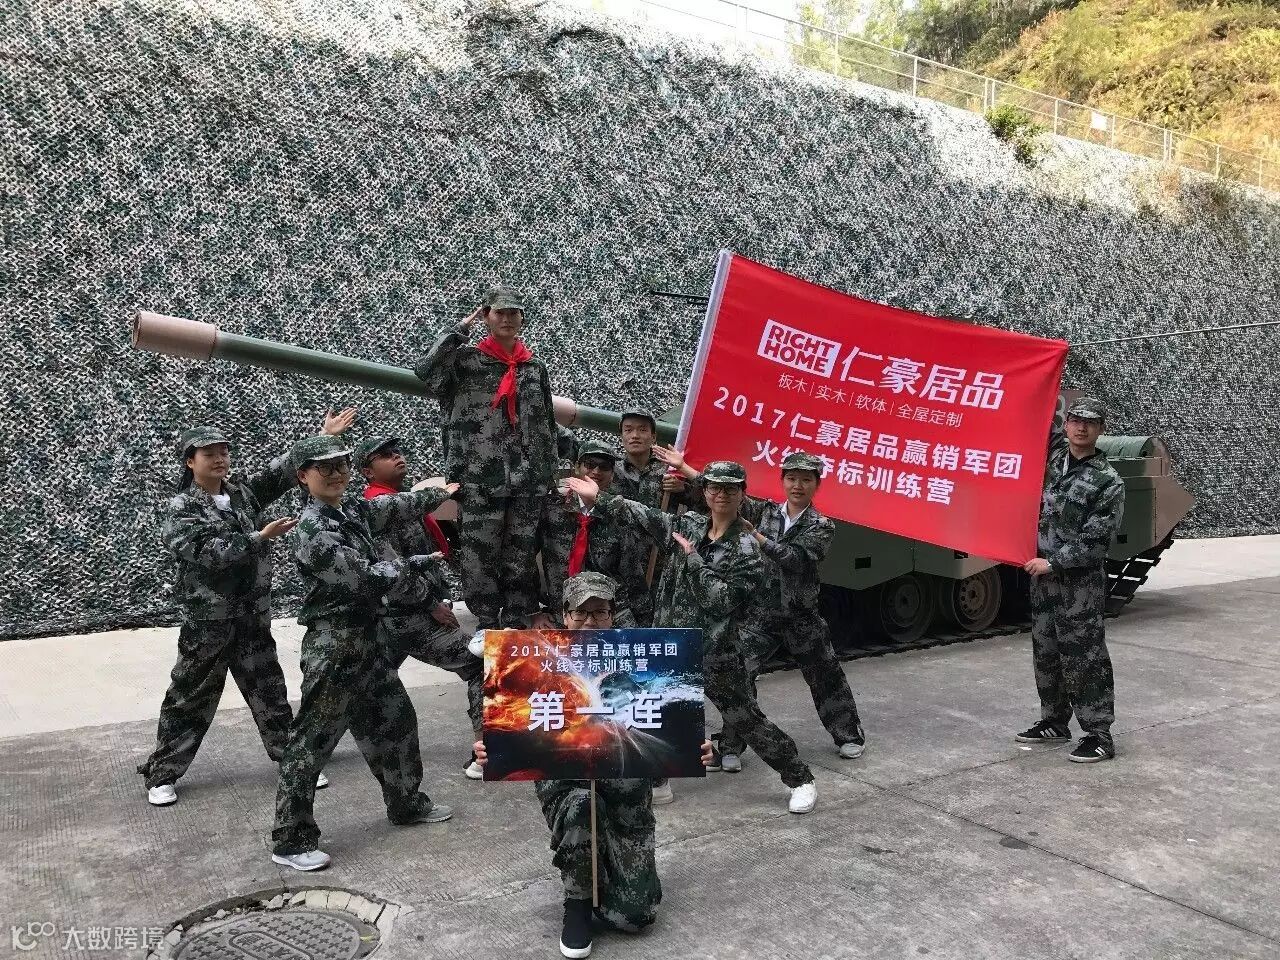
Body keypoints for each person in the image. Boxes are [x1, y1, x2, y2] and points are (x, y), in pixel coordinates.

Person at [473, 572, 714, 960]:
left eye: (600, 612)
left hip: (626, 798)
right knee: (581, 806)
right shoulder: (535, 663)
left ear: (612, 615)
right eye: (581, 613)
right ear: (565, 615)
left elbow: (658, 741)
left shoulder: (635, 664)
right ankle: (578, 901)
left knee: (635, 917)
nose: (590, 621)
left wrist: (691, 749)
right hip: (569, 789)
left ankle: (605, 874)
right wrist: (492, 750)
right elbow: (509, 728)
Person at [569, 462, 817, 814]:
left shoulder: (747, 549)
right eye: (714, 487)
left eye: (730, 489)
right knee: (652, 713)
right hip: (669, 646)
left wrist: (694, 559)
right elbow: (645, 516)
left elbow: (722, 601)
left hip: (714, 651)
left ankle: (800, 779)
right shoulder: (689, 525)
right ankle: (657, 780)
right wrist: (600, 498)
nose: (721, 494)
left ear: (742, 495)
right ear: (705, 492)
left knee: (746, 719)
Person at [137, 408, 354, 807]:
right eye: (209, 454)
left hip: (252, 614)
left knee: (269, 692)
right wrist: (258, 538)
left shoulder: (241, 492)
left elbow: (283, 471)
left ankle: (292, 762)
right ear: (190, 461)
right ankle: (163, 774)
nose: (219, 459)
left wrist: (323, 435)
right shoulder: (182, 506)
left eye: (223, 452)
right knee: (190, 697)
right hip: (209, 621)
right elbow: (205, 552)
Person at [270, 435, 459, 871]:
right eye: (324, 467)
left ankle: (406, 803)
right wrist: (414, 564)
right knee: (312, 743)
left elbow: (398, 505)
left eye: (341, 465)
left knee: (396, 722)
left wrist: (443, 491)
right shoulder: (313, 530)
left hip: (370, 639)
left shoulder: (352, 510)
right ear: (303, 476)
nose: (336, 474)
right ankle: (291, 840)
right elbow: (365, 579)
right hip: (336, 647)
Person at [654, 448, 866, 771]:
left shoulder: (822, 525)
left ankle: (848, 735)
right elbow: (725, 494)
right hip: (760, 617)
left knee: (826, 674)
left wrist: (759, 538)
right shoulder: (766, 512)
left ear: (816, 484)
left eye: (806, 480)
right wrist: (685, 468)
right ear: (783, 481)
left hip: (800, 616)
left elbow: (795, 559)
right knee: (738, 679)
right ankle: (730, 747)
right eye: (791, 479)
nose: (798, 486)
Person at [414, 286, 558, 642]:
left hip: (527, 481)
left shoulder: (533, 367)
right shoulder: (465, 362)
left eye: (513, 313)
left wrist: (548, 473)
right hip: (479, 480)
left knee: (521, 553)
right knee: (480, 554)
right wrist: (459, 329)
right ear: (486, 316)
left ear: (522, 318)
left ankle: (517, 618)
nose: (507, 319)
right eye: (499, 312)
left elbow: (546, 424)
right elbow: (425, 370)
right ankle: (486, 621)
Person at [355, 434, 485, 780]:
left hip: (398, 616)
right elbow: (392, 570)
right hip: (409, 616)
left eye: (398, 452)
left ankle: (311, 752)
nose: (397, 457)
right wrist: (431, 605)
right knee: (480, 664)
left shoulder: (403, 503)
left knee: (361, 681)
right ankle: (486, 752)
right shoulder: (378, 509)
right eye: (386, 455)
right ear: (368, 472)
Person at [1016, 397, 1125, 763]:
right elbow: (1037, 415)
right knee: (1046, 651)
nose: (1081, 427)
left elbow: (1096, 540)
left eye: (1090, 423)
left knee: (1085, 656)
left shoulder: (1107, 481)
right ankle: (1054, 721)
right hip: (1043, 581)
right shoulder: (1054, 458)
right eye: (1076, 420)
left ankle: (1099, 734)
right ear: (1066, 424)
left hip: (1079, 585)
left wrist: (1053, 562)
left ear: (1100, 429)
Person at [535, 440, 639, 629]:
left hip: (608, 615)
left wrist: (644, 624)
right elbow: (524, 559)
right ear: (577, 467)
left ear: (612, 474)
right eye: (589, 465)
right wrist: (533, 611)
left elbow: (631, 571)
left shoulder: (619, 514)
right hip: (562, 612)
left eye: (604, 467)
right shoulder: (551, 508)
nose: (596, 471)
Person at [611, 409, 698, 628]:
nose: (635, 435)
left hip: (661, 564)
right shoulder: (611, 471)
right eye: (628, 430)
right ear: (621, 435)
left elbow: (707, 503)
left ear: (653, 437)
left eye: (642, 430)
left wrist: (684, 489)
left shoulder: (670, 471)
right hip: (622, 564)